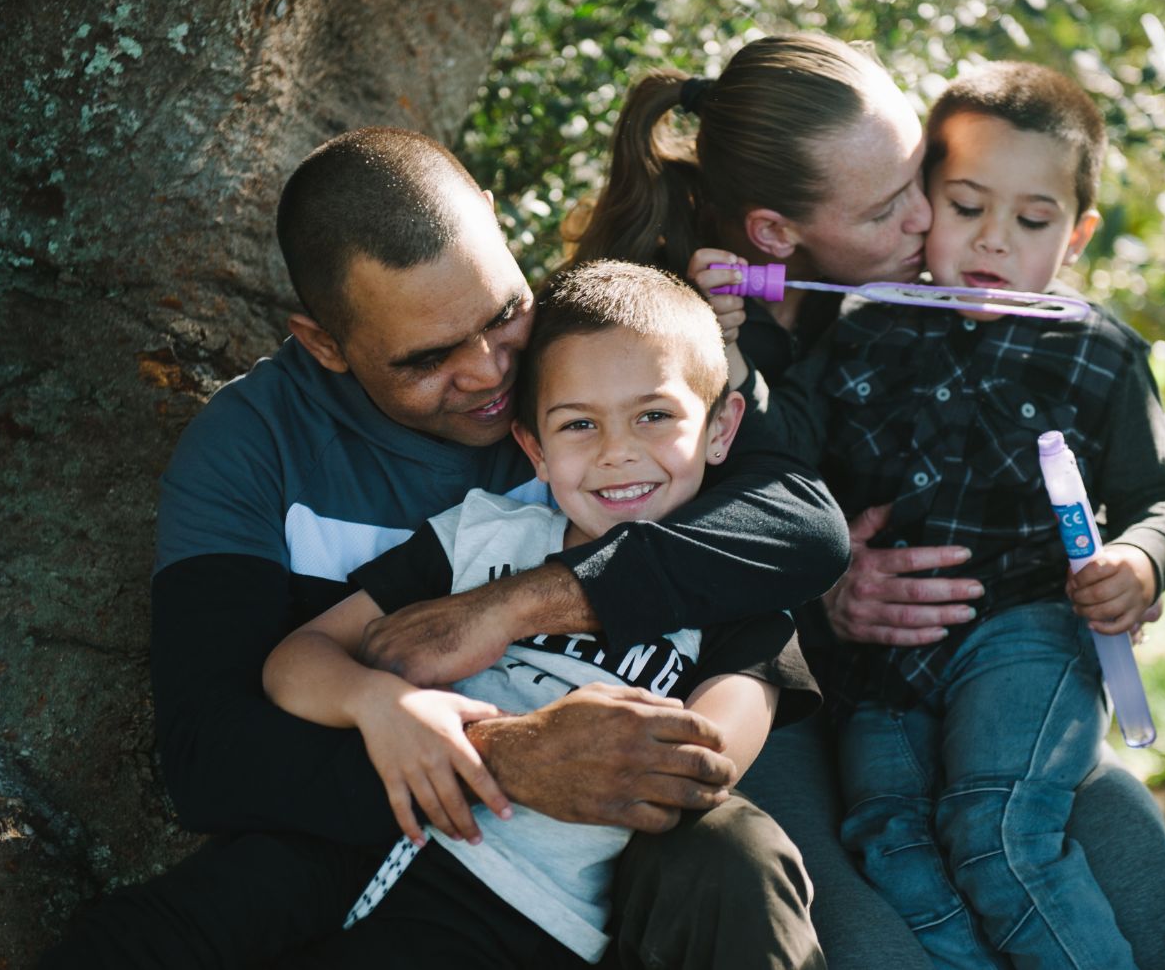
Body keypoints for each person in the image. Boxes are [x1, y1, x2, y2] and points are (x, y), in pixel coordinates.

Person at [42, 126, 849, 968]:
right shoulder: (251, 451)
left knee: (742, 855)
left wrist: (512, 606)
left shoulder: (593, 359)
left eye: (502, 315)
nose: (491, 373)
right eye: (428, 358)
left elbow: (800, 521)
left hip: (598, 881)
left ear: (500, 235)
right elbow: (211, 752)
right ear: (325, 341)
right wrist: (504, 754)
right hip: (382, 838)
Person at [571, 32, 1165, 970]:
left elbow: (1147, 489)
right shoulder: (706, 335)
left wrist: (1128, 563)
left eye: (927, 180)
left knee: (1093, 833)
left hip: (993, 660)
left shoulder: (968, 309)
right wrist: (823, 591)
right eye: (918, 203)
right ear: (776, 237)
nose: (947, 230)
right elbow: (722, 517)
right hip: (788, 692)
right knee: (895, 887)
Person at [260, 259, 823, 967]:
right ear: (533, 446)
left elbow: (706, 763)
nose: (619, 453)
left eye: (654, 415)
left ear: (719, 427)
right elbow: (295, 662)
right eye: (579, 424)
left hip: (547, 926)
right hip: (381, 857)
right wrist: (377, 702)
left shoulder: (740, 600)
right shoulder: (479, 535)